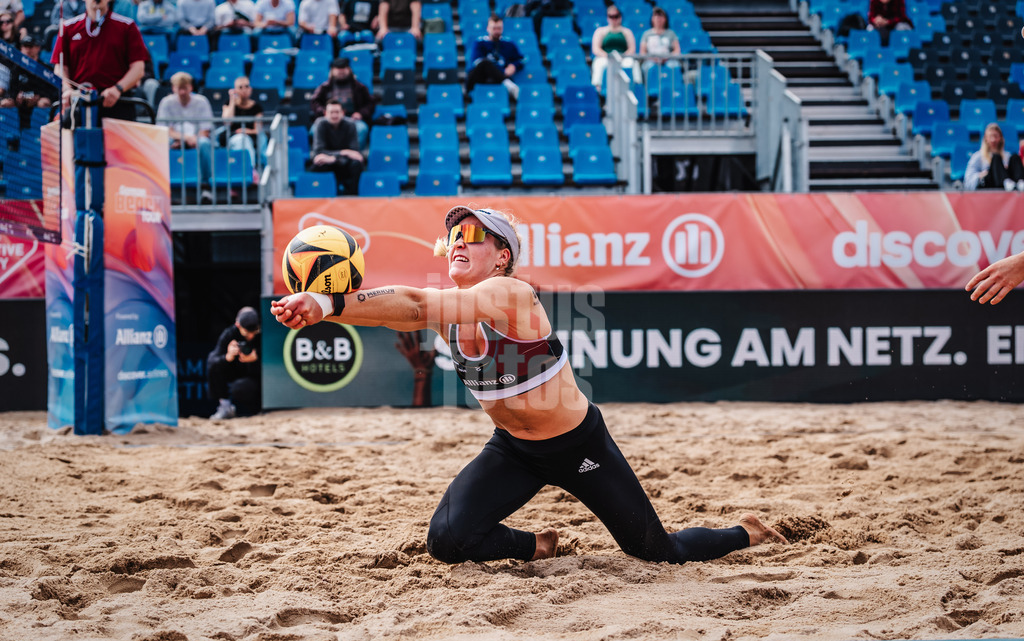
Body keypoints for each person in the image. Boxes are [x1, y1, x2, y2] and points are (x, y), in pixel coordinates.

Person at [270, 205, 788, 566]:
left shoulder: (511, 295)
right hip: (514, 451)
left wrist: (329, 304)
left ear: (501, 256)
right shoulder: (448, 311)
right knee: (447, 541)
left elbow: (419, 303)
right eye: (453, 237)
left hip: (579, 446)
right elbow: (399, 308)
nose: (458, 243)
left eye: (473, 237)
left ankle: (748, 532)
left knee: (657, 553)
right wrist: (320, 306)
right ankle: (538, 545)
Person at [50, 0, 150, 123]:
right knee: (77, 141)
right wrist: (67, 89)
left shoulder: (127, 26)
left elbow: (138, 68)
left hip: (117, 101)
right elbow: (60, 67)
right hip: (78, 101)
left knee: (117, 143)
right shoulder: (68, 27)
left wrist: (118, 89)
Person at [156, 71, 214, 202]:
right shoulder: (166, 102)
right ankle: (164, 185)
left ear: (191, 87)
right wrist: (185, 139)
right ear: (173, 88)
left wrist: (190, 139)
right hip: (175, 138)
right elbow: (166, 130)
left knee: (204, 144)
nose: (182, 92)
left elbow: (205, 130)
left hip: (196, 137)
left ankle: (205, 186)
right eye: (179, 88)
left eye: (185, 88)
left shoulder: (201, 102)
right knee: (162, 143)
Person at [207, 306, 262, 419]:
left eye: (254, 332)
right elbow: (212, 361)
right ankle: (225, 407)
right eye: (247, 333)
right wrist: (228, 357)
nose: (251, 336)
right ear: (238, 325)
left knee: (244, 386)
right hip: (235, 376)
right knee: (215, 367)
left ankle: (262, 409)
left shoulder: (265, 333)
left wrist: (256, 360)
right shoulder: (229, 334)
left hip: (257, 380)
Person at [309, 56, 372, 150]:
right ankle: (325, 154)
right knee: (314, 130)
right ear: (332, 71)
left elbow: (370, 103)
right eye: (338, 69)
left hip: (352, 119)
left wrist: (360, 113)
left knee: (362, 129)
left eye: (344, 69)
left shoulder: (359, 87)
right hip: (330, 118)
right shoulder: (324, 87)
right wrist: (325, 113)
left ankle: (354, 155)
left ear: (349, 70)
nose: (341, 71)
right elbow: (315, 102)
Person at [310, 98, 364, 194]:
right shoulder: (320, 124)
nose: (334, 115)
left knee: (357, 164)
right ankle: (321, 197)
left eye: (337, 112)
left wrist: (334, 158)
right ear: (325, 113)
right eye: (331, 112)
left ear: (343, 113)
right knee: (318, 164)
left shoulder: (350, 125)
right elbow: (318, 152)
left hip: (344, 164)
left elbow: (354, 152)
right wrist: (343, 153)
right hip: (328, 163)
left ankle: (352, 197)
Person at [465, 14, 524, 100]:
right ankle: (509, 86)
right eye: (494, 28)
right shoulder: (479, 43)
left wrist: (514, 66)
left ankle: (506, 84)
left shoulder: (509, 44)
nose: (496, 31)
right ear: (488, 29)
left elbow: (521, 60)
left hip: (498, 80)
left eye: (499, 28)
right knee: (484, 63)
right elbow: (477, 62)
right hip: (481, 78)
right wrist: (501, 71)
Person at [591, 4, 639, 89]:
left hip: (623, 57)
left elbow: (632, 48)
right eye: (611, 16)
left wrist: (622, 56)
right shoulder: (601, 31)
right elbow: (596, 49)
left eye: (616, 16)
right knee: (598, 63)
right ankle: (598, 89)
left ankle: (636, 86)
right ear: (607, 17)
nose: (614, 19)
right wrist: (608, 56)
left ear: (620, 17)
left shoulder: (626, 32)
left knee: (633, 63)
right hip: (606, 57)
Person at [964, 123, 1024, 192]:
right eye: (990, 136)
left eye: (996, 136)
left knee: (1015, 157)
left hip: (1009, 186)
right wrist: (980, 175)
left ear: (1000, 138)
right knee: (996, 157)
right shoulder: (978, 156)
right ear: (986, 138)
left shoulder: (1007, 155)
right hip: (989, 184)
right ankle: (1005, 182)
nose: (993, 140)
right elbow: (968, 180)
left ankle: (1020, 182)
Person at [222, 75, 262, 171]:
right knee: (240, 140)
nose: (244, 90)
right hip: (231, 138)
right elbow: (227, 122)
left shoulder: (257, 107)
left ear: (250, 89)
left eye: (246, 86)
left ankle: (249, 169)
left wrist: (245, 131)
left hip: (249, 138)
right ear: (235, 90)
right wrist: (232, 100)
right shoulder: (228, 103)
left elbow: (258, 130)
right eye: (240, 87)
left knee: (244, 140)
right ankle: (249, 170)